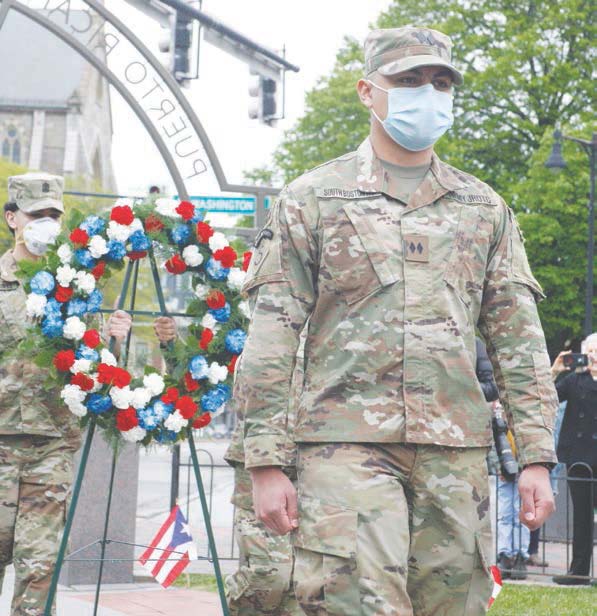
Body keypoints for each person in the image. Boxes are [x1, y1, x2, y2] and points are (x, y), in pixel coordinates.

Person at [234, 26, 558, 615]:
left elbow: (518, 340)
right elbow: (273, 337)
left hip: (454, 453)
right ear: (367, 91)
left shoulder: (484, 208)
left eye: (440, 82)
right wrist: (265, 462)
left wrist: (535, 456)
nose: (427, 93)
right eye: (408, 80)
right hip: (343, 447)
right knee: (356, 607)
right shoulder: (313, 199)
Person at [0, 173, 132, 616]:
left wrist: (112, 341)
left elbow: (92, 367)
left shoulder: (75, 284)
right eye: (38, 215)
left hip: (51, 444)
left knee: (39, 569)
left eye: (55, 215)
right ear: (13, 218)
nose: (48, 224)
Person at [550, 335, 597, 585]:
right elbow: (546, 398)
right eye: (589, 351)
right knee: (581, 517)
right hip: (579, 458)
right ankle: (579, 572)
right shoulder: (574, 380)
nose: (593, 356)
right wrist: (554, 371)